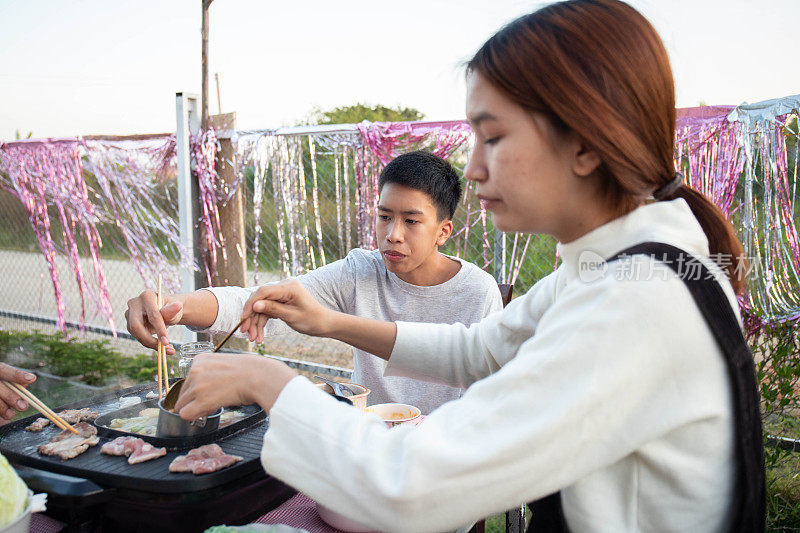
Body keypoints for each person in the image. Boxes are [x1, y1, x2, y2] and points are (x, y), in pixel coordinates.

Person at [173, 1, 764, 531]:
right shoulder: (621, 266)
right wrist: (329, 323)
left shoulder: (633, 302)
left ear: (585, 144)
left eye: (493, 137)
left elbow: (410, 488)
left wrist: (268, 381)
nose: (474, 168)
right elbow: (479, 351)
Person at [126, 150, 503, 414]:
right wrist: (174, 307)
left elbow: (490, 398)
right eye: (384, 216)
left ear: (443, 231)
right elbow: (260, 300)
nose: (392, 234)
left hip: (440, 461)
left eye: (411, 221)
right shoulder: (361, 270)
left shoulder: (477, 291)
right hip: (365, 442)